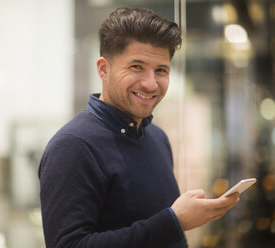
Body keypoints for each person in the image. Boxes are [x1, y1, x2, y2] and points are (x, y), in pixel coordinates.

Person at [38, 7, 239, 248]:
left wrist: (175, 224)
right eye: (136, 67)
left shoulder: (156, 137)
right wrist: (173, 221)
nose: (150, 83)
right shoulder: (73, 145)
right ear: (103, 69)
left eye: (161, 70)